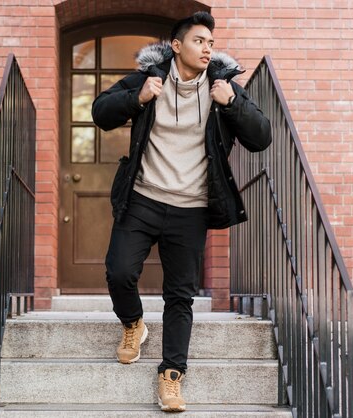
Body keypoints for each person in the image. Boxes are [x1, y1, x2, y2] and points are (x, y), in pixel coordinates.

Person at [91, 11, 272, 413]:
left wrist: (232, 107)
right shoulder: (148, 78)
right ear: (176, 46)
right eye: (198, 41)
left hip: (190, 208)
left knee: (180, 296)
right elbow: (99, 111)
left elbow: (262, 137)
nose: (207, 48)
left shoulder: (224, 86)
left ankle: (171, 376)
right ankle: (133, 324)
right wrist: (136, 98)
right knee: (119, 271)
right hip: (142, 198)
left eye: (211, 42)